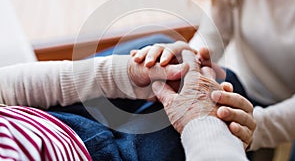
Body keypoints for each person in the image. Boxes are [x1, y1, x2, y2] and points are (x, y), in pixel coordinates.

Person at [133, 0, 295, 152]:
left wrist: (250, 125)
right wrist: (183, 62)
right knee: (155, 46)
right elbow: (212, 37)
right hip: (227, 84)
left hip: (265, 113)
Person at [0, 50, 250, 160]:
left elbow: (4, 88)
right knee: (227, 84)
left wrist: (123, 75)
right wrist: (207, 127)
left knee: (165, 49)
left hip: (50, 118)